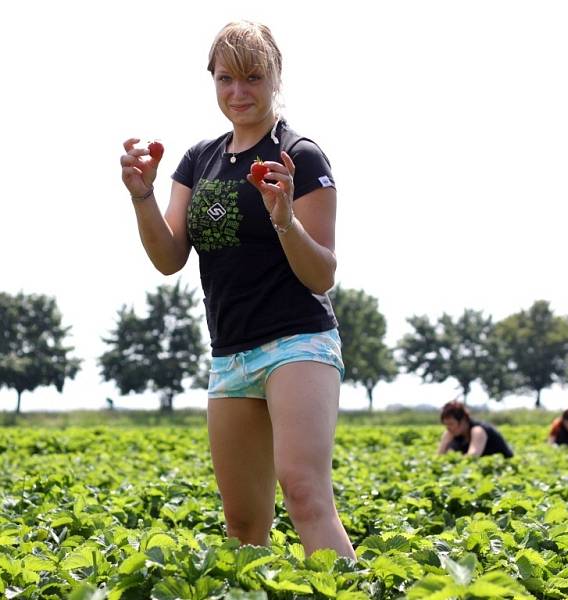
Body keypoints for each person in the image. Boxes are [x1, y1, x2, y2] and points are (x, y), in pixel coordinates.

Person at [119, 21, 355, 559]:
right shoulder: (197, 160)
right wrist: (142, 197)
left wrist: (284, 221)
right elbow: (168, 257)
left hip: (297, 342)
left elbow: (322, 274)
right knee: (244, 522)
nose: (238, 92)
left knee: (304, 491)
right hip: (229, 355)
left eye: (253, 78)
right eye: (226, 79)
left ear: (275, 79)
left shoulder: (301, 157)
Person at [437, 401, 514, 458]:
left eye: (451, 424)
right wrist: (444, 443)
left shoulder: (478, 430)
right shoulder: (456, 435)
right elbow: (439, 459)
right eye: (446, 424)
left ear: (463, 420)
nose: (448, 428)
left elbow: (472, 458)